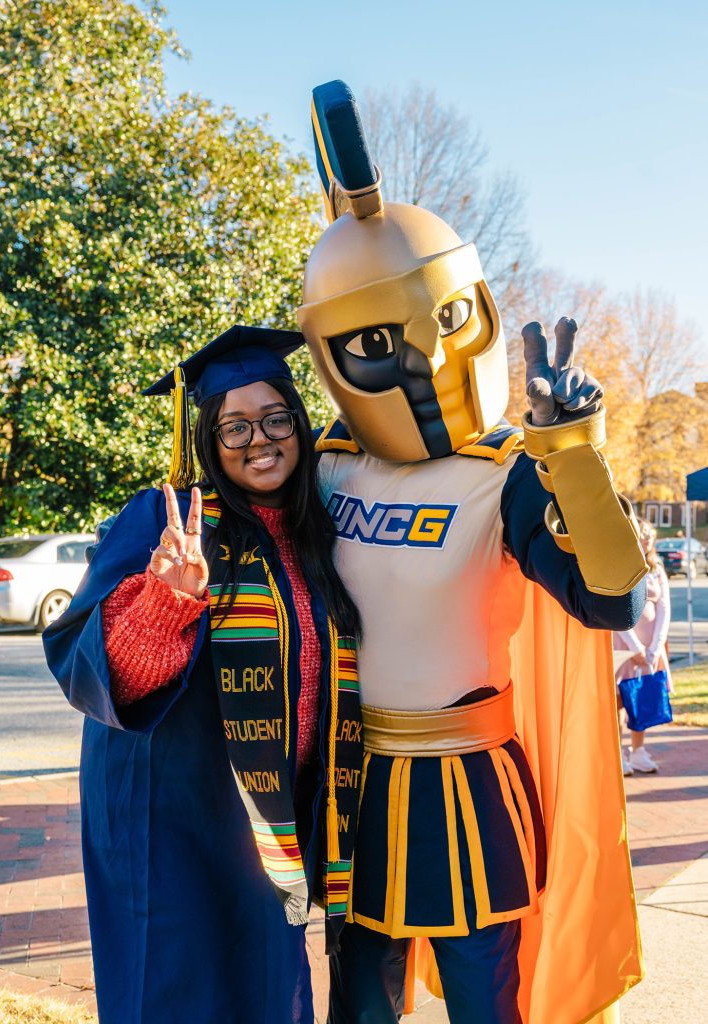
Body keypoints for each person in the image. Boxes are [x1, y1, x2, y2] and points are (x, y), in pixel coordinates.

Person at [296, 80, 648, 1024]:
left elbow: (610, 597)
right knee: (359, 1010)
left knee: (485, 1007)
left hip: (467, 783)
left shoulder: (504, 472)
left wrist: (572, 453)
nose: (419, 364)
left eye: (443, 323)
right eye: (377, 343)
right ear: (330, 354)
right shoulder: (322, 467)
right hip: (354, 781)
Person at [43, 326, 363, 1024]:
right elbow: (88, 665)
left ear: (299, 424)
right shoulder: (166, 520)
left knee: (272, 989)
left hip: (269, 817)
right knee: (178, 988)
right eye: (234, 426)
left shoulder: (315, 530)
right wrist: (169, 600)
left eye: (275, 417)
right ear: (207, 442)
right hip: (172, 813)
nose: (259, 439)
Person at [615, 518, 672, 774]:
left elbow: (664, 609)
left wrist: (656, 647)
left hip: (651, 648)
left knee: (643, 696)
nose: (647, 537)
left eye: (650, 533)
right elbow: (615, 612)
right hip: (624, 647)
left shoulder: (657, 569)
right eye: (642, 532)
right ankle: (618, 754)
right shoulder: (619, 566)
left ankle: (639, 752)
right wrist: (635, 647)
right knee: (617, 701)